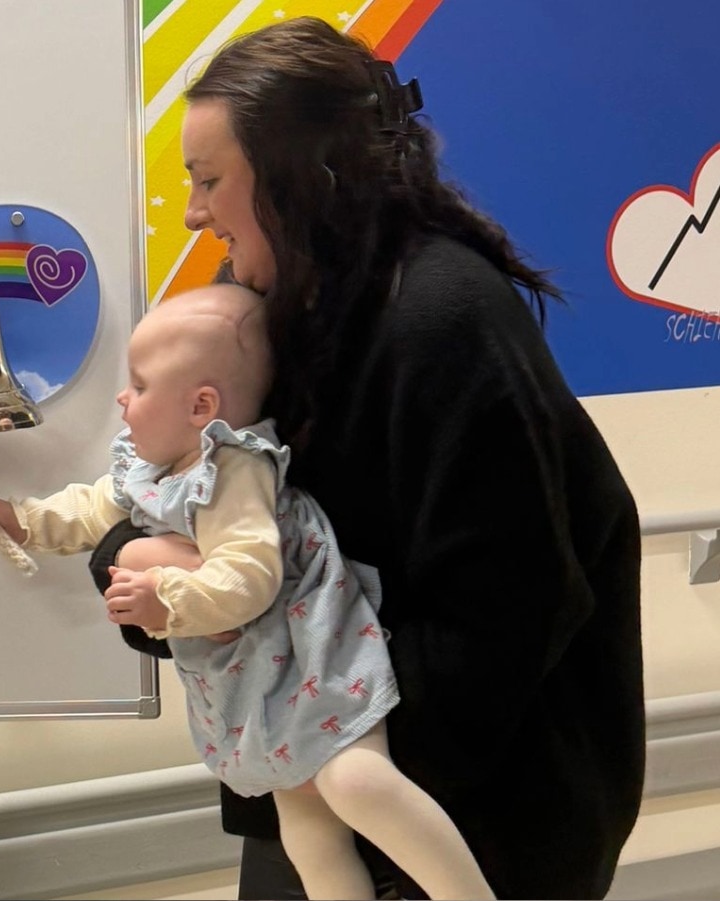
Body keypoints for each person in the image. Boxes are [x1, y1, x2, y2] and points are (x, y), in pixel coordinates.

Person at [86, 15, 644, 901]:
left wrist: (321, 725)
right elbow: (162, 482)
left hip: (456, 813)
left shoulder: (444, 319)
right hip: (308, 768)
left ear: (305, 174)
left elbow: (508, 614)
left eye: (209, 179)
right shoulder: (255, 310)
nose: (193, 211)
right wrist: (139, 565)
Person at [0, 284, 494, 900]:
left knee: (356, 782)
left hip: (313, 662)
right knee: (306, 830)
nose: (122, 398)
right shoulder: (151, 468)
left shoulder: (234, 470)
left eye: (139, 385)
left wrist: (170, 596)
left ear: (201, 406)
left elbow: (249, 576)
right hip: (261, 682)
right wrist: (24, 520)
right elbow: (91, 509)